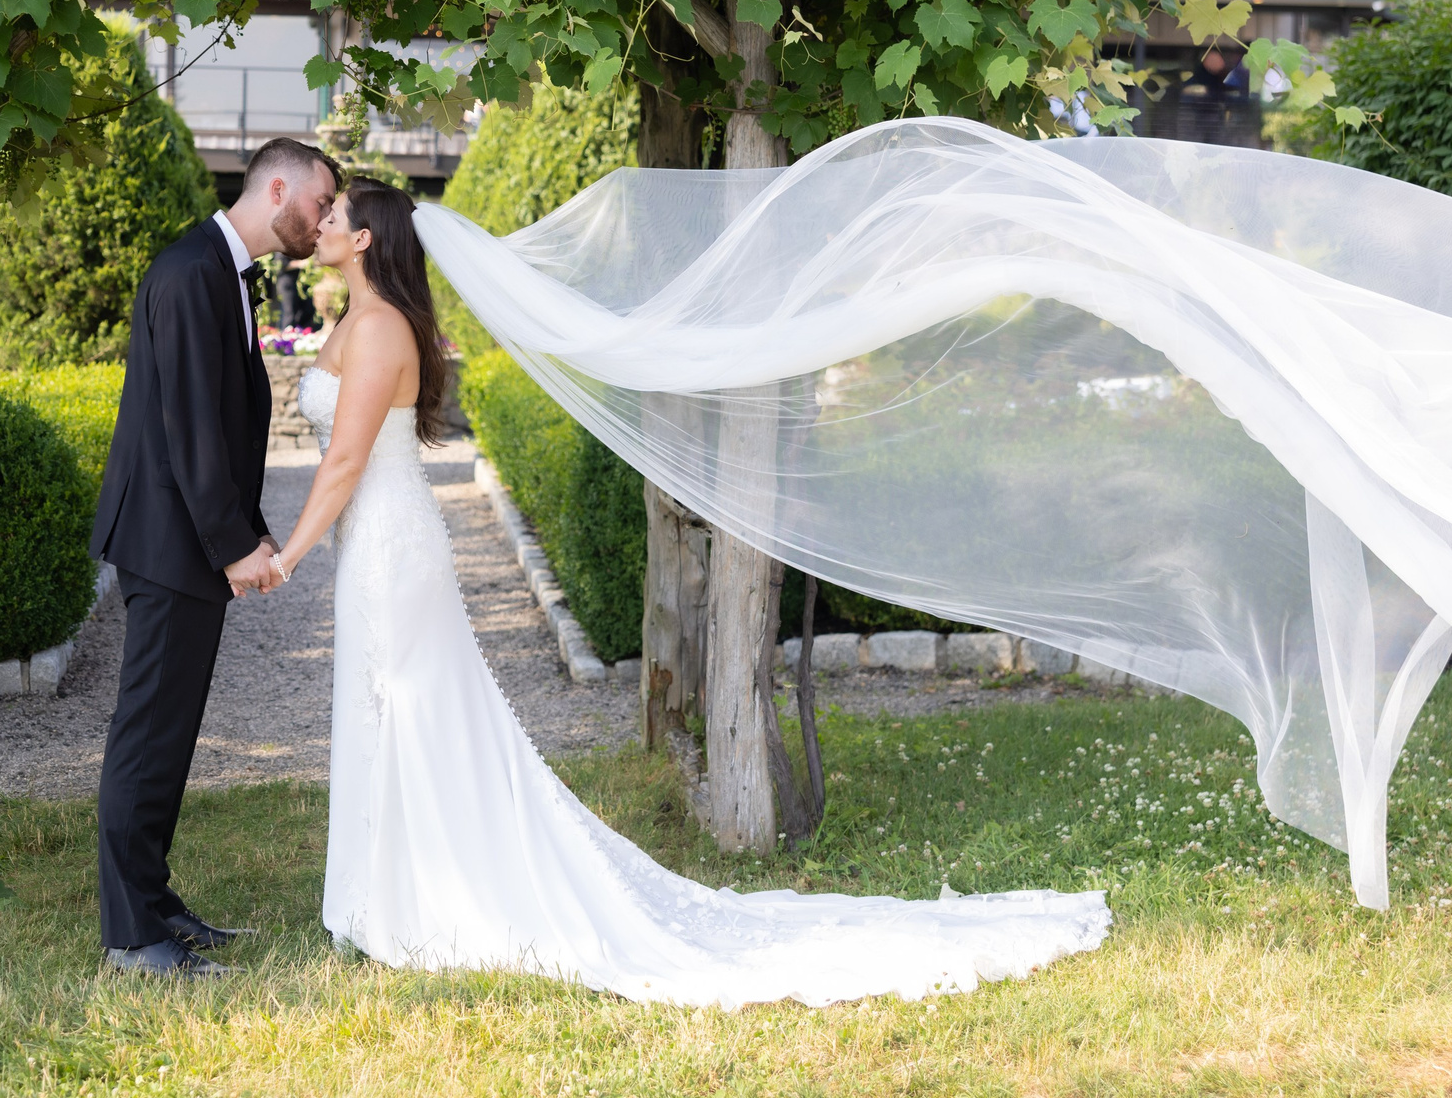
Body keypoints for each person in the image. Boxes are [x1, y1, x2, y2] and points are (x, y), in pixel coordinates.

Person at [257, 179, 1113, 1007]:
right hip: (372, 545)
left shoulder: (378, 332)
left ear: (365, 238)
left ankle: (419, 901)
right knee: (385, 709)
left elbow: (343, 463)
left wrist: (285, 556)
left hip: (391, 548)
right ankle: (384, 893)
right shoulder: (356, 322)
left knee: (410, 708)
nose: (320, 222)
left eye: (333, 214)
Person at [89, 135, 342, 978]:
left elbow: (216, 424)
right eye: (319, 203)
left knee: (172, 734)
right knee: (147, 734)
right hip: (169, 543)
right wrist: (236, 547)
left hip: (183, 538)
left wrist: (250, 532)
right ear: (278, 190)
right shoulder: (192, 270)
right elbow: (191, 427)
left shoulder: (223, 271)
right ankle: (131, 936)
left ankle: (154, 901)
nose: (323, 220)